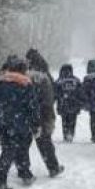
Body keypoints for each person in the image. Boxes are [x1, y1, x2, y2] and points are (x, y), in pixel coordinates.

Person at [0, 55, 39, 189]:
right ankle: (4, 180)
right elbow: (32, 106)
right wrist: (35, 123)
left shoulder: (0, 82)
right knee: (18, 150)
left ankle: (21, 175)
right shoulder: (26, 84)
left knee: (8, 150)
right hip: (20, 124)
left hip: (4, 122)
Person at [25, 49, 64, 177]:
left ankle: (24, 170)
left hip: (27, 111)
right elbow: (52, 93)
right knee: (45, 141)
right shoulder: (44, 75)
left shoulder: (26, 75)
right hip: (44, 111)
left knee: (23, 142)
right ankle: (53, 167)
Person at [54, 63, 83, 142]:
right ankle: (71, 133)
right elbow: (81, 93)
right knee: (73, 120)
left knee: (64, 120)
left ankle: (66, 134)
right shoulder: (76, 80)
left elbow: (55, 93)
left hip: (63, 104)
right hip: (74, 104)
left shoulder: (59, 81)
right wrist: (81, 103)